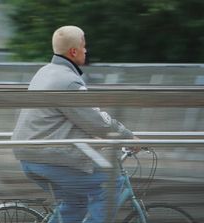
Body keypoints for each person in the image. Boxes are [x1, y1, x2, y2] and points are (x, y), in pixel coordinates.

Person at [11, 25, 138, 223]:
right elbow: (97, 121)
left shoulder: (44, 72)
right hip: (50, 157)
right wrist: (129, 137)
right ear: (73, 51)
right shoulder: (68, 81)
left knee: (75, 202)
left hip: (28, 155)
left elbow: (60, 118)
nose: (86, 51)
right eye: (84, 46)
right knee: (111, 184)